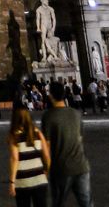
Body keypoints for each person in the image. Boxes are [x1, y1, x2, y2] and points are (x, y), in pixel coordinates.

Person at [40, 79, 93, 207]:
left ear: (51, 95)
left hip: (61, 168)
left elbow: (46, 147)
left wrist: (45, 170)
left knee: (58, 202)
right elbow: (80, 139)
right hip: (81, 165)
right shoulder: (76, 114)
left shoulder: (48, 116)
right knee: (86, 203)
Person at [8, 104, 50, 205]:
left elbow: (14, 159)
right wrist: (45, 172)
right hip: (40, 179)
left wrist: (12, 182)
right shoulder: (38, 133)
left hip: (22, 181)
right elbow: (47, 156)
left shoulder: (14, 136)